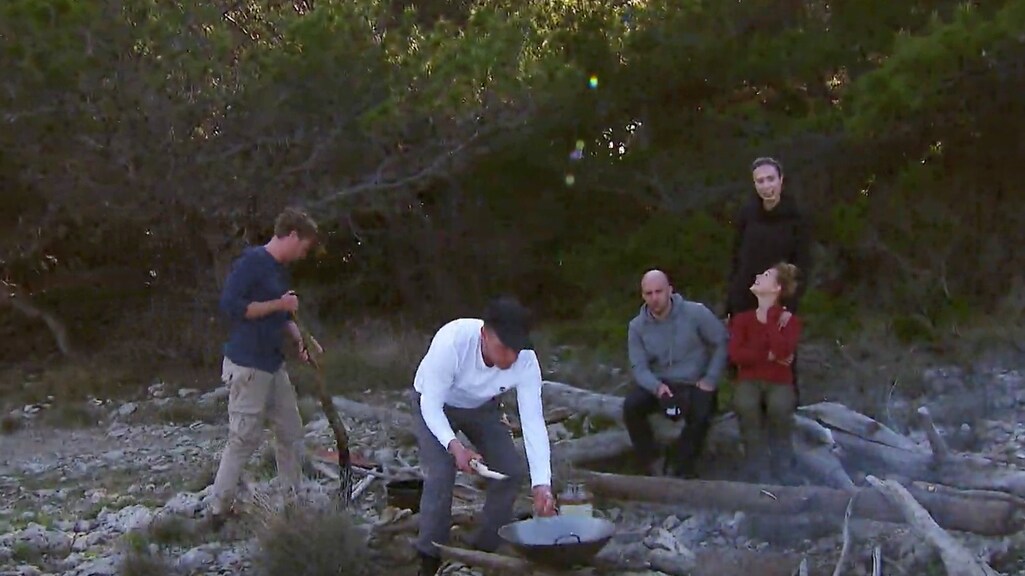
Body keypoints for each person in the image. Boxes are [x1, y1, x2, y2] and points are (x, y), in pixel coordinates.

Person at [411, 296, 557, 576]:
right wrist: (455, 447)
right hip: (434, 402)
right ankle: (428, 554)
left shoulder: (525, 360)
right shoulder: (452, 341)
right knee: (441, 473)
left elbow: (532, 420)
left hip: (482, 407)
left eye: (517, 349)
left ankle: (486, 549)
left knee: (511, 471)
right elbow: (430, 405)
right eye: (504, 347)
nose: (511, 357)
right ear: (484, 334)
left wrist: (542, 484)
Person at [207, 207, 319, 529]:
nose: (303, 253)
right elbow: (232, 306)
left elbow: (283, 314)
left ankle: (293, 503)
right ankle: (218, 509)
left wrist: (301, 340)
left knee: (290, 433)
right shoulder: (252, 262)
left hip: (274, 364)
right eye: (304, 246)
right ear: (292, 235)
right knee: (243, 438)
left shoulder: (279, 270)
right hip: (248, 366)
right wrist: (279, 305)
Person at [624, 270, 729, 478]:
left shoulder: (695, 313)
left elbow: (722, 342)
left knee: (701, 414)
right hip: (661, 382)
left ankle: (682, 468)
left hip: (694, 381)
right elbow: (639, 367)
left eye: (658, 292)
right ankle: (653, 461)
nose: (654, 298)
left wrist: (710, 379)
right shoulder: (637, 327)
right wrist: (656, 387)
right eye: (648, 293)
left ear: (670, 290)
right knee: (631, 406)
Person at [725, 157, 812, 399]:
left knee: (780, 357)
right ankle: (748, 413)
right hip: (745, 297)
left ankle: (785, 413)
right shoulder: (747, 214)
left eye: (770, 179)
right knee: (746, 357)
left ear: (781, 181)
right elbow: (736, 258)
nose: (766, 186)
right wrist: (731, 302)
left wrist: (790, 305)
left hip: (779, 298)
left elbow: (802, 265)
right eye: (760, 181)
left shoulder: (796, 217)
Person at [728, 262, 803, 484]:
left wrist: (771, 320)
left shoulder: (789, 320)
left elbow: (783, 350)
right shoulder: (742, 320)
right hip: (749, 378)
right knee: (745, 405)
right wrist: (768, 355)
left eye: (766, 275)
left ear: (777, 288)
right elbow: (735, 354)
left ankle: (784, 467)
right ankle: (757, 468)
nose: (759, 276)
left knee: (780, 409)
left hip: (779, 380)